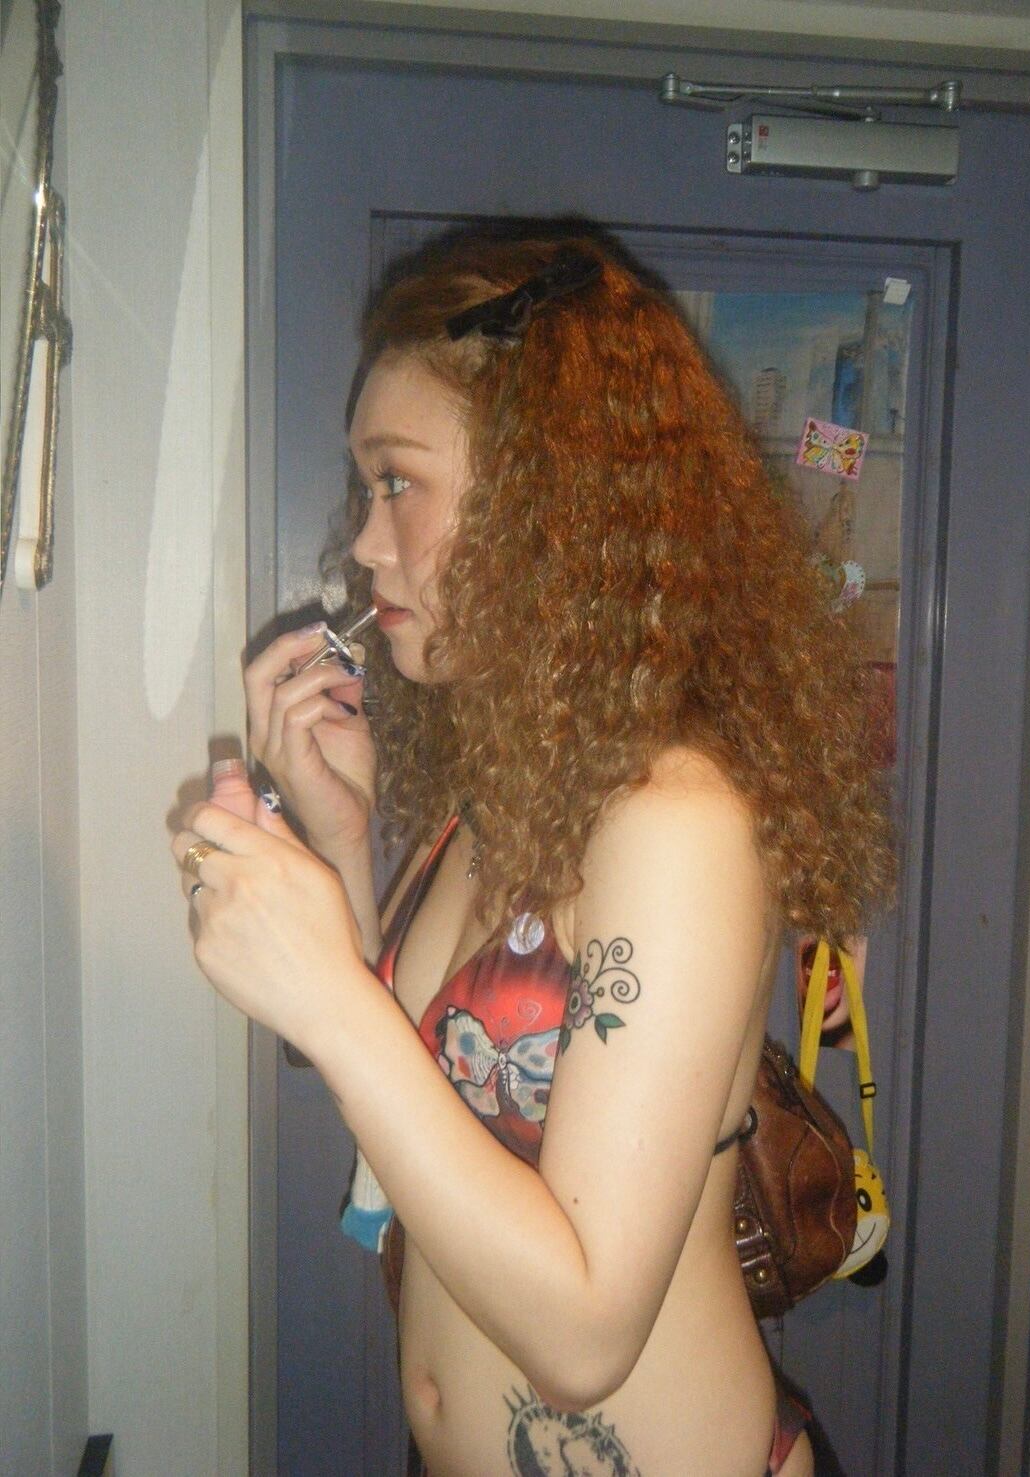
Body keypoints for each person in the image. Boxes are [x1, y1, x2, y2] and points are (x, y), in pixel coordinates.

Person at [173, 231, 894, 1477]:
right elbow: (421, 1108)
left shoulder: (674, 817)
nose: (366, 542)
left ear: (546, 496)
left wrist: (327, 995)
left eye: (398, 482)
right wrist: (344, 845)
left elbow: (584, 1330)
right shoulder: (509, 789)